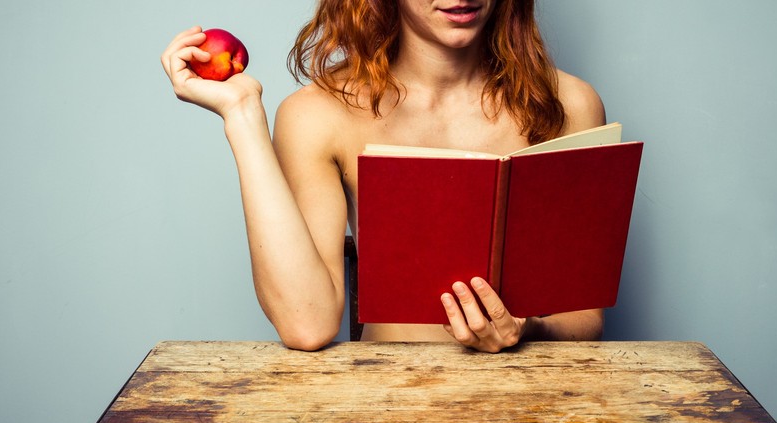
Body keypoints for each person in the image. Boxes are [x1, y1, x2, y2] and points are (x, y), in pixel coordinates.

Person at [161, 0, 605, 352]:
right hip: (386, 405)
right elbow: (307, 323)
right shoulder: (318, 115)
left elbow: (585, 318)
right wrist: (242, 117)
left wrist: (526, 330)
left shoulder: (569, 103)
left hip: (537, 406)